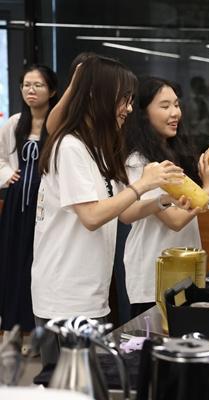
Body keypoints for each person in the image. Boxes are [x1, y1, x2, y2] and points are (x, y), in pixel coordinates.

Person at [32, 56, 187, 368]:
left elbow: (123, 212)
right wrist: (143, 184)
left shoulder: (101, 149)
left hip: (92, 294)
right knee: (69, 384)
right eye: (123, 99)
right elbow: (91, 217)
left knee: (93, 382)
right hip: (65, 296)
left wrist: (161, 200)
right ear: (97, 97)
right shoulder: (70, 147)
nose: (128, 108)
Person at [123, 76, 209, 317]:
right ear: (144, 113)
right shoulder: (139, 162)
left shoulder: (178, 153)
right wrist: (207, 188)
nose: (175, 113)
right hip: (152, 275)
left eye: (177, 104)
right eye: (165, 106)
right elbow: (175, 220)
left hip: (186, 271)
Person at [0, 65, 58, 340]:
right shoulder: (14, 123)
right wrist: (7, 174)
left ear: (52, 91)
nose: (30, 90)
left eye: (38, 85)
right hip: (16, 206)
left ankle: (39, 329)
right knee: (14, 260)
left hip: (45, 205)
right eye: (26, 85)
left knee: (39, 263)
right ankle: (14, 326)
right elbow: (1, 158)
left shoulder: (57, 125)